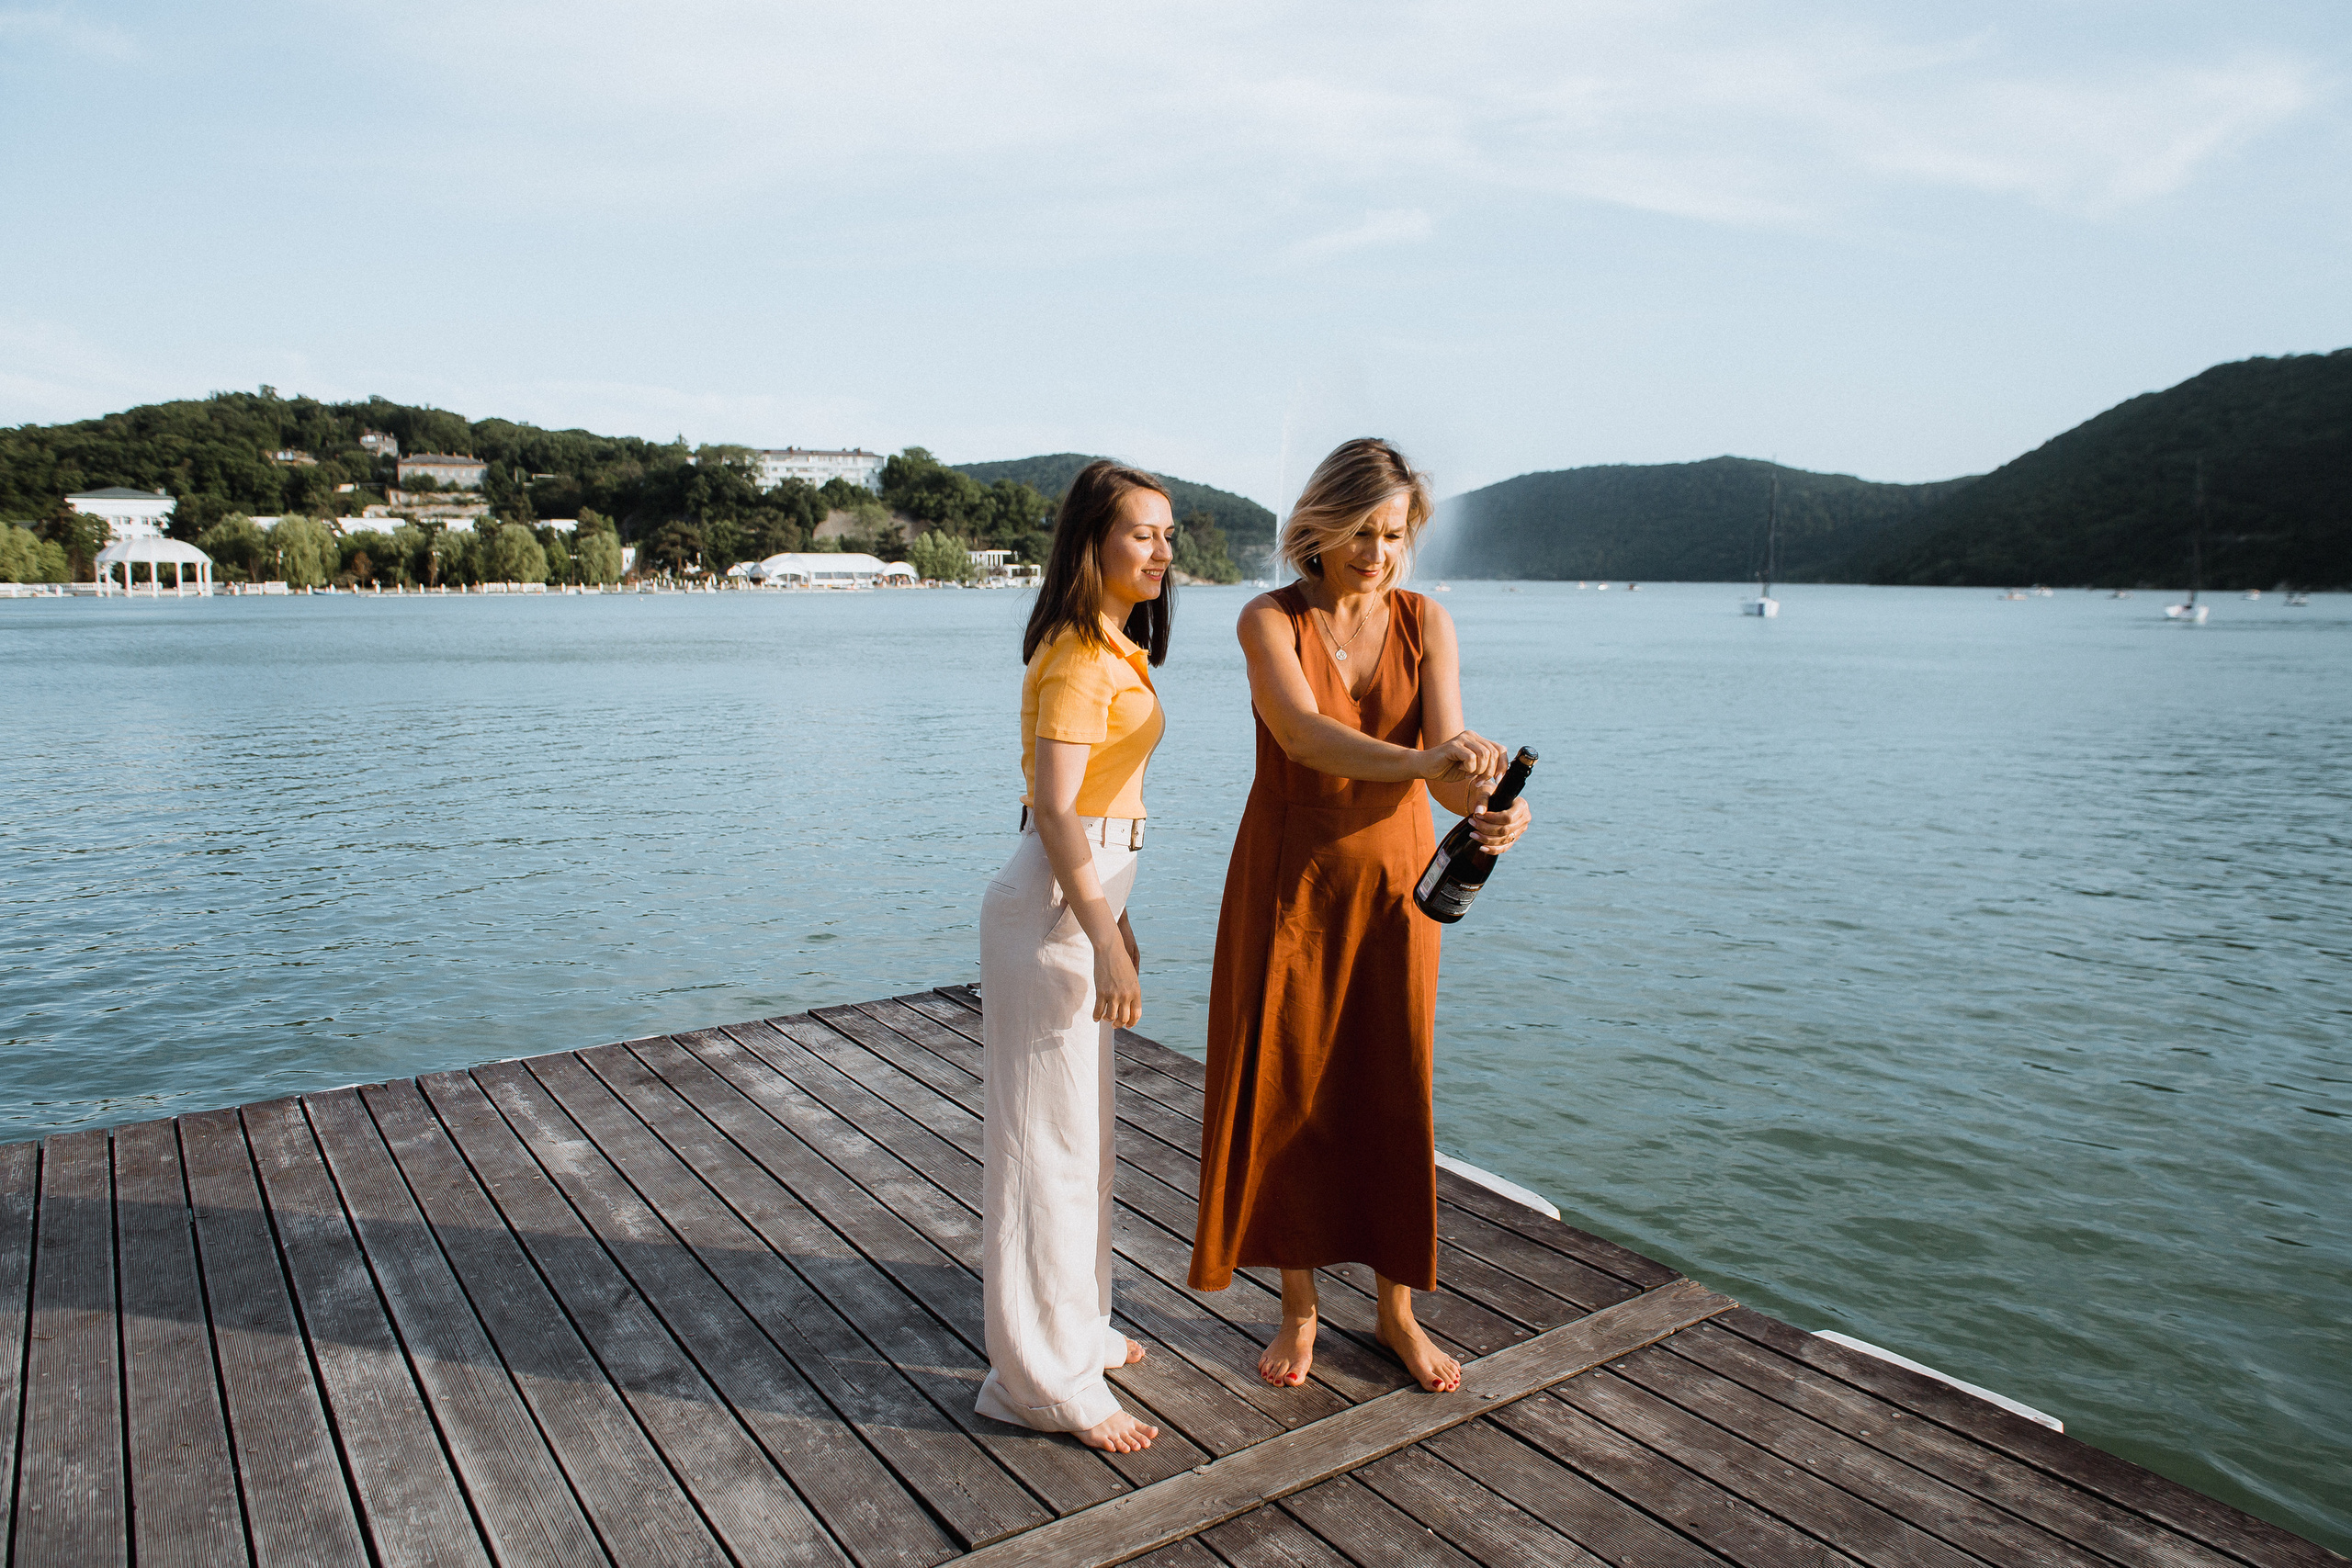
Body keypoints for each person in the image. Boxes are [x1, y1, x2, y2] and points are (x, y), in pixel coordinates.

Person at [1188, 437, 1532, 1393]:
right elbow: (1301, 736)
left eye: (1394, 536)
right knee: (1287, 1086)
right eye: (1361, 532)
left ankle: (1394, 1313)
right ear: (1320, 526)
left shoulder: (1427, 624)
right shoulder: (1269, 620)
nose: (1377, 554)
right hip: (1289, 878)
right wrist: (1428, 770)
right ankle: (1298, 1310)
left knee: (1391, 1083)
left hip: (1393, 889)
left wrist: (1490, 806)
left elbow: (1450, 764)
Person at [977, 459, 1176, 1453]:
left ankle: (1077, 1327)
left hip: (1085, 898)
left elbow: (1101, 808)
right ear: (1092, 542)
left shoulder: (1115, 647)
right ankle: (1037, 1381)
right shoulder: (1074, 656)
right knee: (1042, 1150)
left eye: (1167, 535)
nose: (1161, 551)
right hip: (1051, 912)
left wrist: (1119, 921)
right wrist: (1104, 937)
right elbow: (1055, 812)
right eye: (1142, 533)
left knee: (1080, 1141)